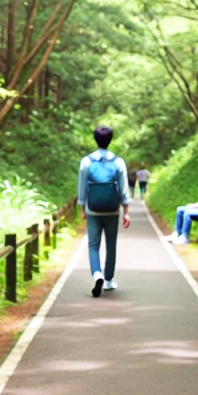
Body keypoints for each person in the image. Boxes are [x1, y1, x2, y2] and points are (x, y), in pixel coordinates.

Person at [77, 126, 131, 298]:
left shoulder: (86, 161)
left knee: (93, 245)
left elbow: (81, 187)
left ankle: (97, 274)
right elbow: (123, 190)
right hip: (112, 210)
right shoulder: (118, 162)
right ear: (110, 140)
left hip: (93, 209)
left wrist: (82, 207)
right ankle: (108, 280)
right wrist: (126, 211)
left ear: (95, 140)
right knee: (111, 245)